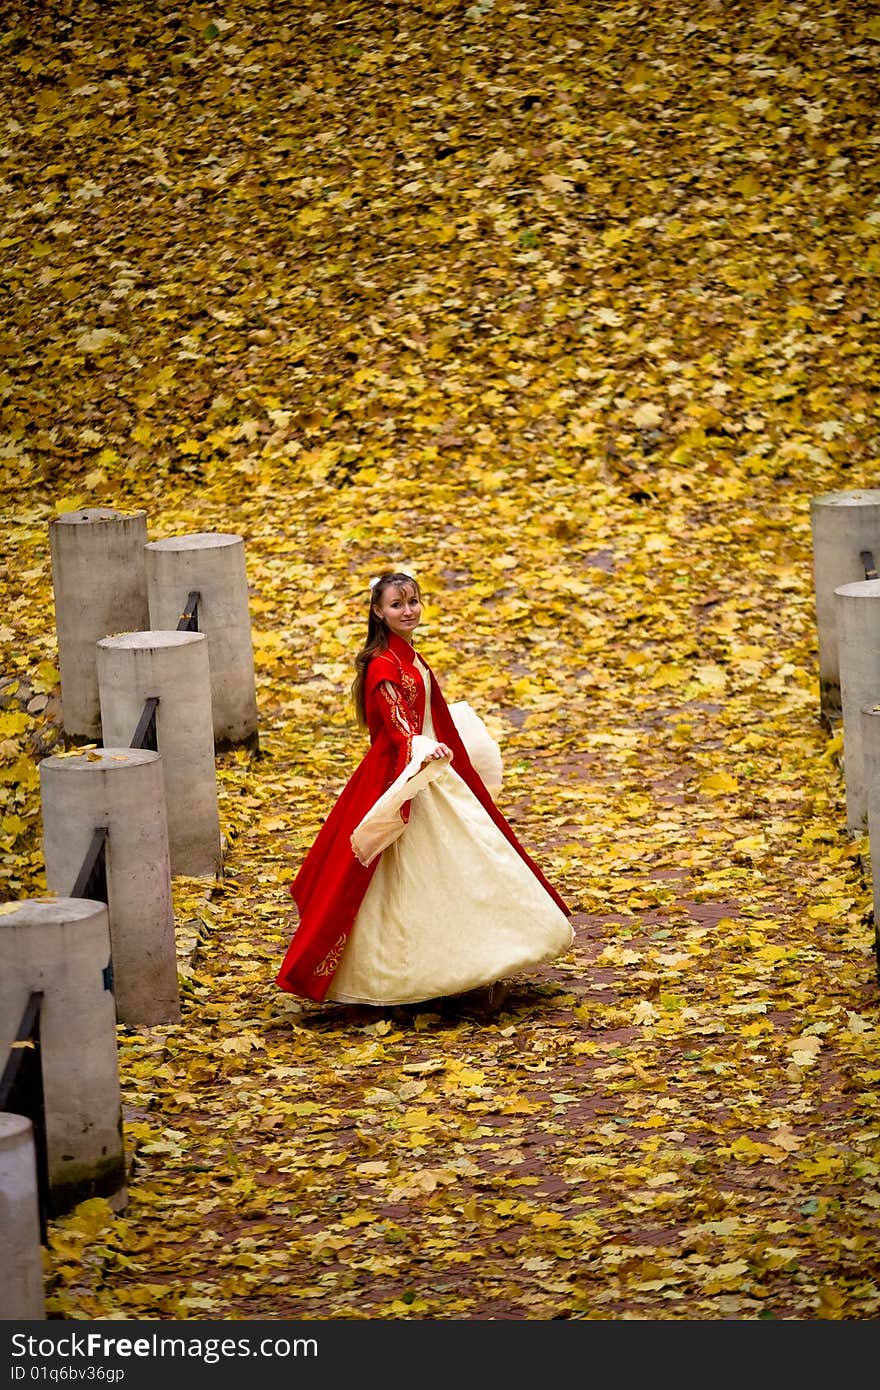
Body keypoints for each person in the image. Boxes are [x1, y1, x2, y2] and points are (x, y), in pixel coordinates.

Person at [275, 570, 574, 1007]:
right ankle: (413, 975)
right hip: (405, 769)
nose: (408, 610)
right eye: (397, 604)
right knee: (409, 874)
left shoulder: (408, 655)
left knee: (464, 860)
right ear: (378, 611)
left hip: (428, 764)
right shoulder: (383, 663)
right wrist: (419, 749)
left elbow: (424, 714)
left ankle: (479, 961)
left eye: (413, 601)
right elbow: (397, 723)